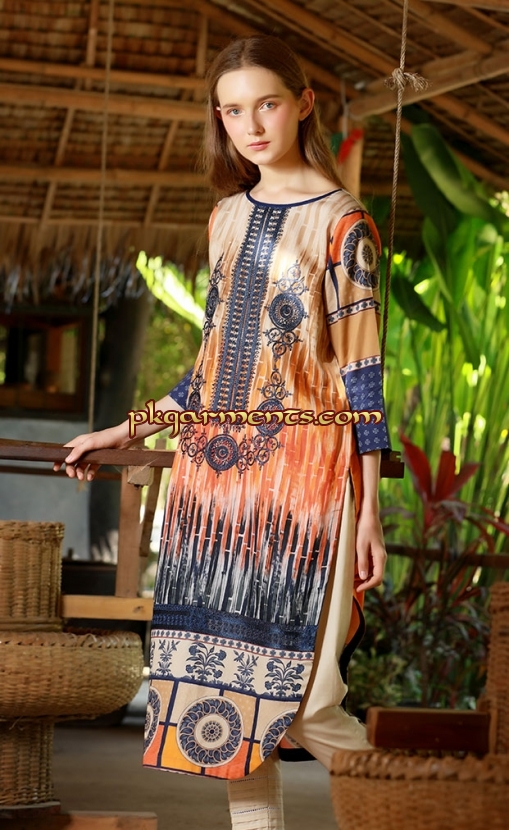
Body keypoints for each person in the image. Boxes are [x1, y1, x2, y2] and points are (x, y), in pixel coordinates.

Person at [57, 35, 390, 830]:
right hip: (213, 483)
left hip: (308, 479)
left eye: (266, 104)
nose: (251, 125)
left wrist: (369, 511)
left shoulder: (344, 224)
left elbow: (362, 378)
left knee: (307, 702)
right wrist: (123, 429)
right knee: (226, 700)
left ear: (302, 104)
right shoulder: (226, 217)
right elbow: (207, 375)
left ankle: (432, 806)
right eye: (233, 110)